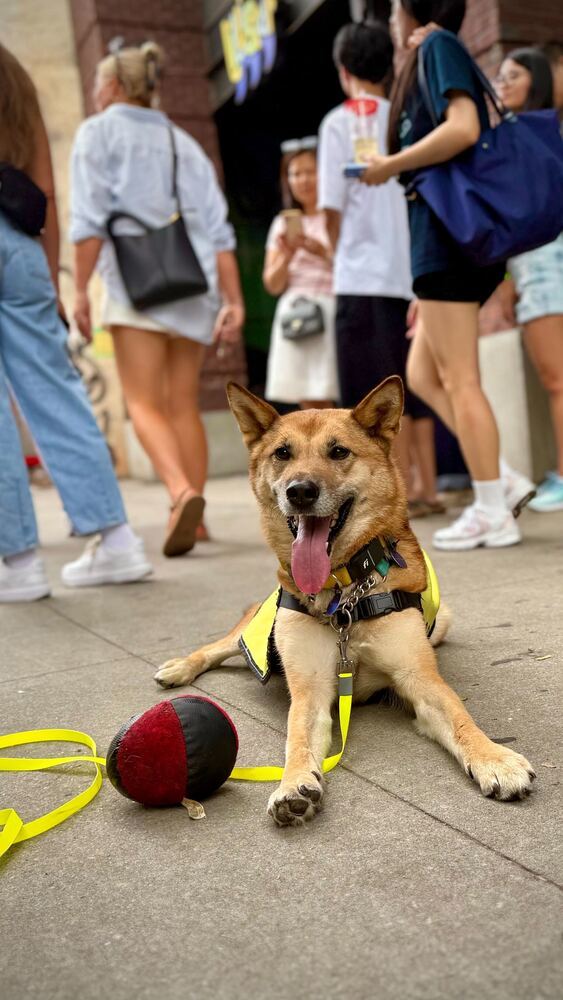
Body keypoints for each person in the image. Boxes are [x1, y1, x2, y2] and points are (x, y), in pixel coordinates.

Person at [360, 0, 530, 551]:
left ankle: (492, 509)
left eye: (394, 7)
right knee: (422, 374)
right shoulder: (431, 51)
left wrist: (390, 165)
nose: (390, 18)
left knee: (460, 378)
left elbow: (464, 127)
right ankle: (500, 478)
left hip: (448, 239)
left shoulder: (437, 46)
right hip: (440, 242)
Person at [71, 42, 245, 557]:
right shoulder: (182, 141)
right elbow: (219, 231)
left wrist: (79, 289)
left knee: (142, 402)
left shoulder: (98, 133)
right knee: (182, 403)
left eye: (98, 83)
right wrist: (233, 299)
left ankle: (180, 492)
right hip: (193, 284)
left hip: (136, 284)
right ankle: (197, 518)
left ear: (112, 85)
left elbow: (88, 222)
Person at [0, 43, 152, 603]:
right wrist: (49, 277)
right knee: (56, 391)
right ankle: (117, 540)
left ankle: (18, 561)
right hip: (20, 247)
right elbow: (45, 193)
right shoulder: (14, 80)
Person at [317, 20, 443, 513]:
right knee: (404, 390)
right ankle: (422, 489)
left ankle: (397, 498)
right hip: (409, 275)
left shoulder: (337, 123)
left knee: (368, 400)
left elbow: (330, 209)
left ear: (343, 70)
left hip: (360, 275)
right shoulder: (406, 116)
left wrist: (336, 252)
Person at [495, 48, 563, 512]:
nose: (501, 83)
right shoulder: (539, 133)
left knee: (556, 379)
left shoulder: (527, 135)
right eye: (499, 76)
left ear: (534, 82)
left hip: (543, 263)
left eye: (512, 76)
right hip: (534, 264)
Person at [263, 138, 339, 408]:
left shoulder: (336, 218)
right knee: (306, 398)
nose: (303, 180)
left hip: (331, 308)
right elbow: (272, 285)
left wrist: (322, 252)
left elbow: (354, 269)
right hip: (295, 310)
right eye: (295, 174)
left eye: (310, 172)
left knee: (332, 391)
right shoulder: (281, 224)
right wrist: (287, 254)